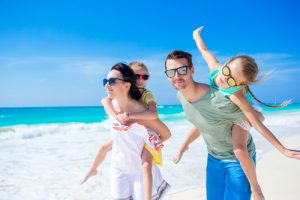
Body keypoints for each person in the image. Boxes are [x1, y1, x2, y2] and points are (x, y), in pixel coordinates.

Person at [173, 26, 292, 200]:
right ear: (227, 62)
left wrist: (283, 150)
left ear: (239, 84)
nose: (224, 79)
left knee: (238, 149)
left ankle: (256, 189)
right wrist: (196, 35)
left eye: (231, 80)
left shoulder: (236, 95)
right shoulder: (217, 70)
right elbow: (204, 50)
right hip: (228, 113)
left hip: (245, 111)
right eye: (227, 71)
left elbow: (257, 124)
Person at [83, 63, 170, 200]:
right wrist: (117, 116)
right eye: (105, 81)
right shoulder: (111, 105)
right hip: (118, 168)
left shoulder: (142, 111)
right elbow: (105, 102)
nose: (107, 85)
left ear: (127, 85)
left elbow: (166, 134)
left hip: (139, 171)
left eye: (112, 81)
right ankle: (92, 171)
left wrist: (149, 147)